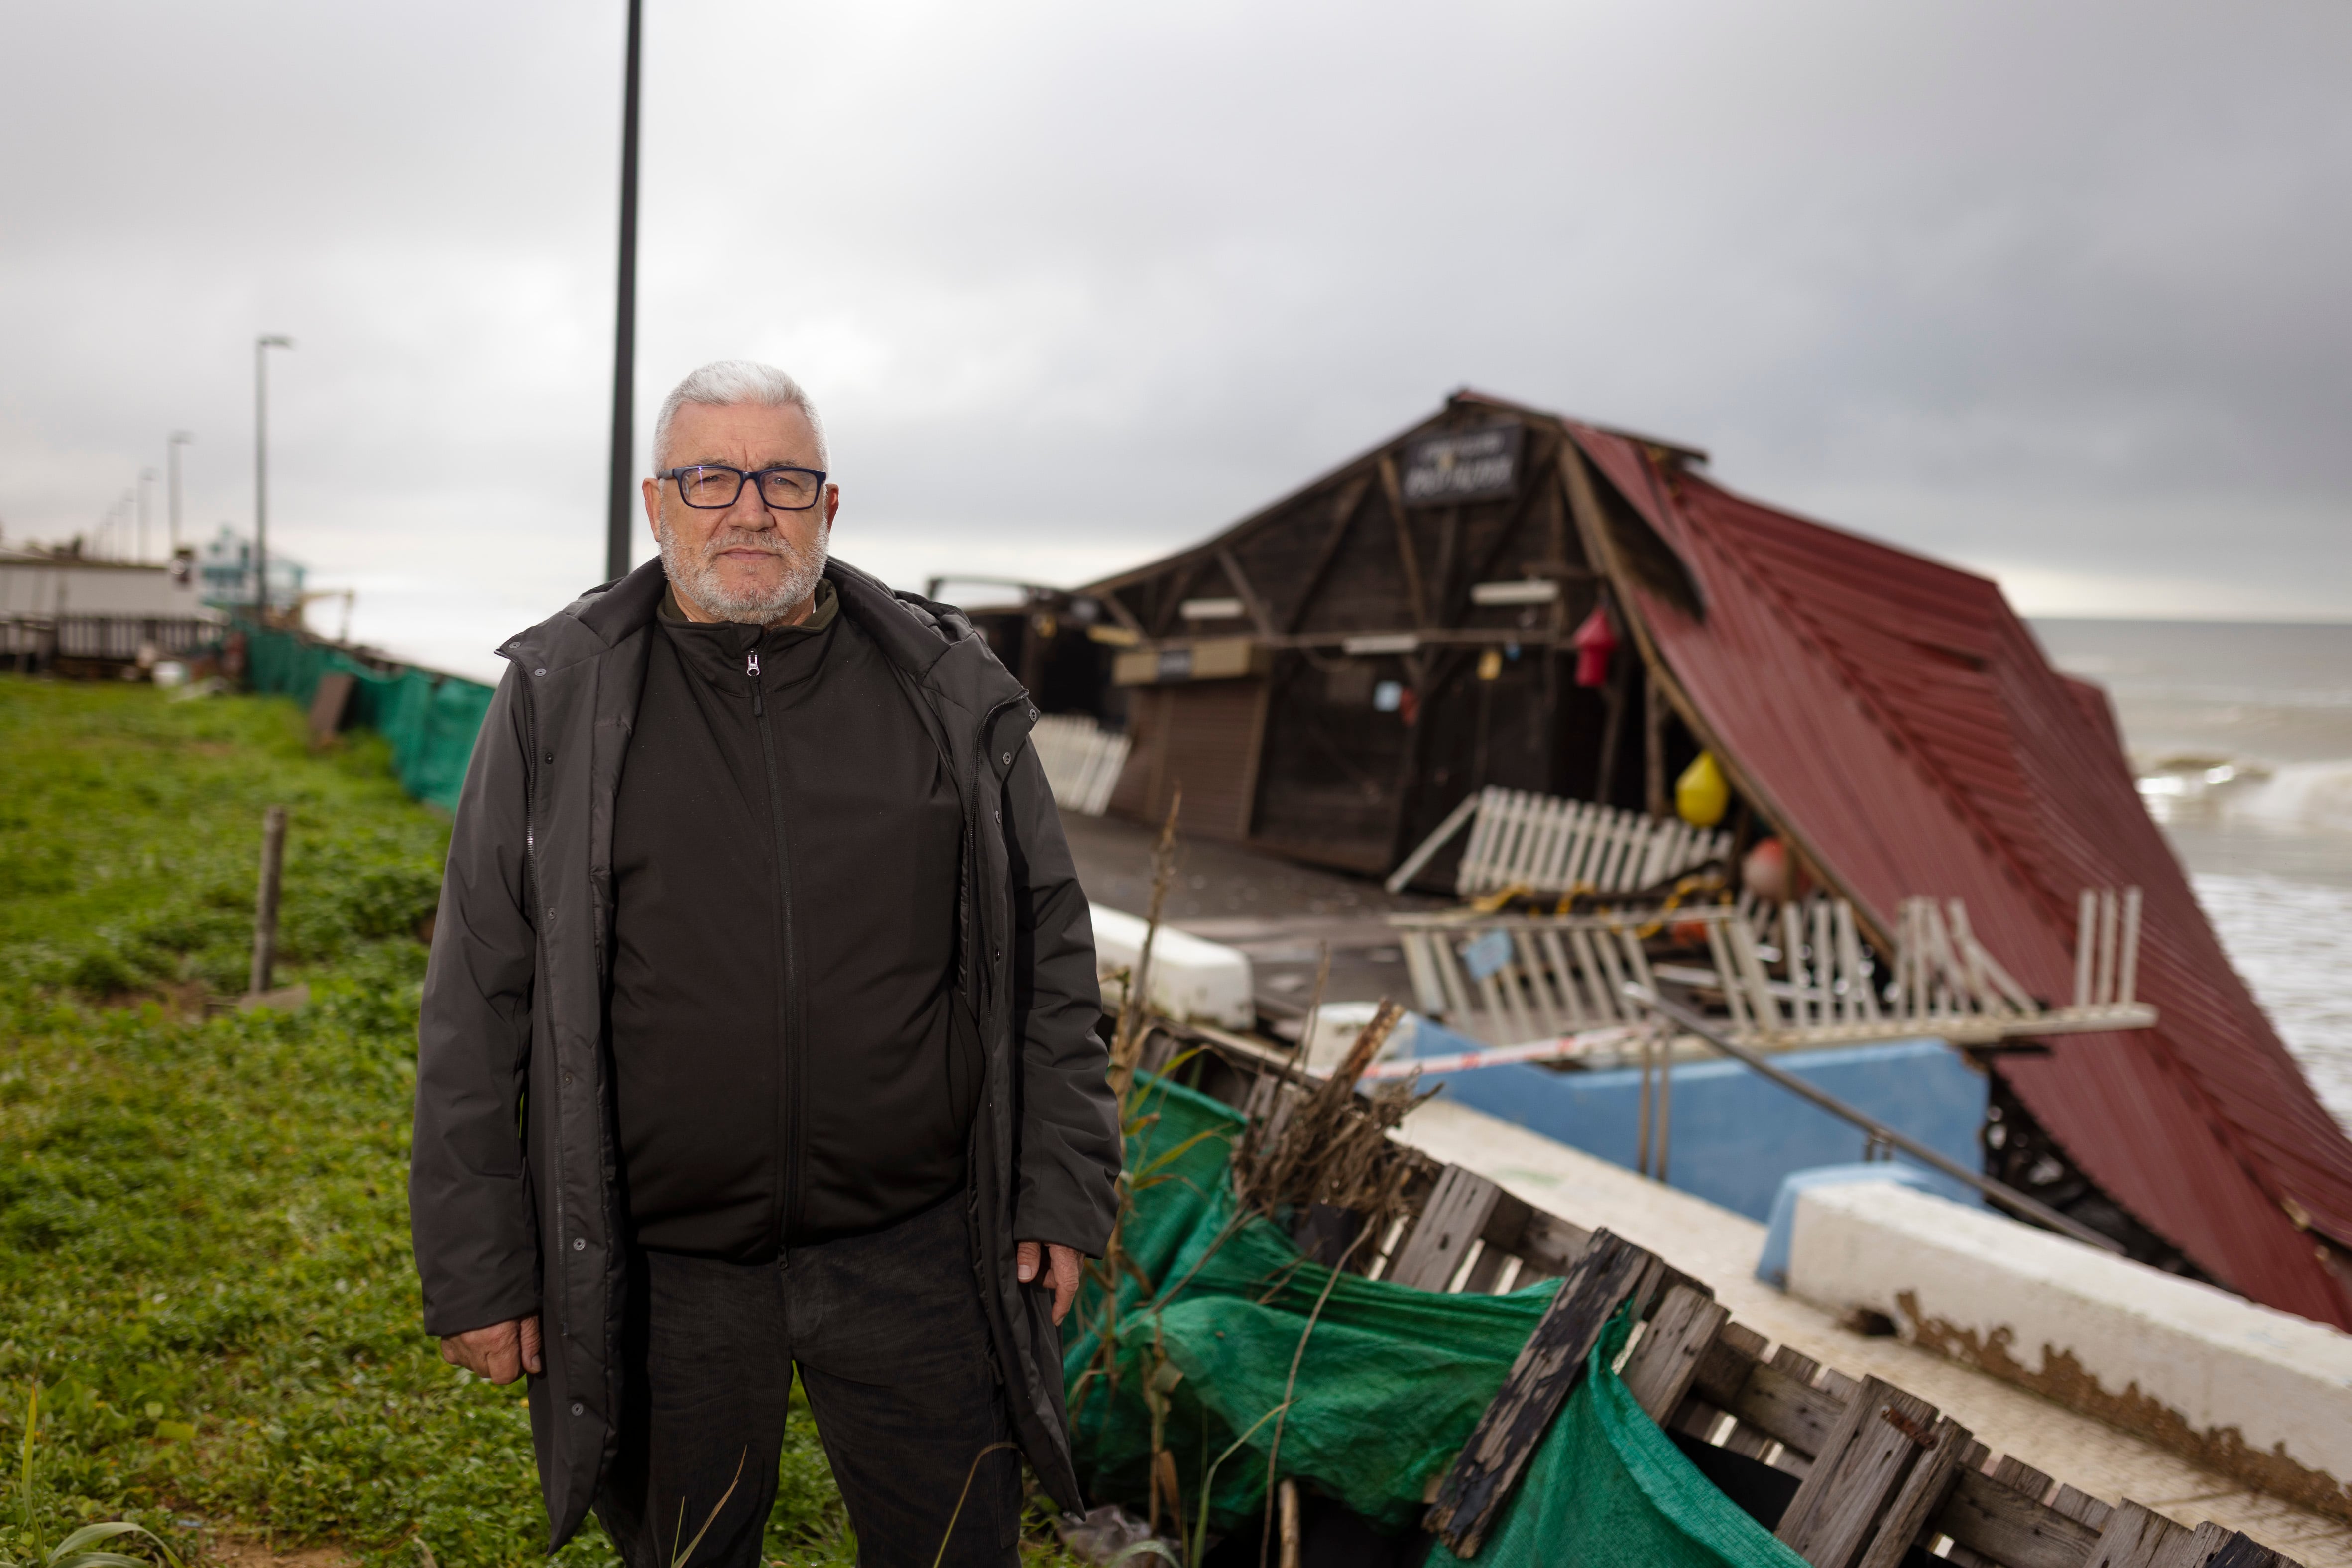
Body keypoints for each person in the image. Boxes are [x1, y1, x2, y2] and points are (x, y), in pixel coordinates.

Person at [408, 361, 1122, 1568]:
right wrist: (479, 1266)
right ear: (657, 503)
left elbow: (1051, 950)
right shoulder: (560, 699)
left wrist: (1061, 1184)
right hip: (666, 1267)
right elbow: (478, 994)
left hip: (921, 1250)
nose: (749, 508)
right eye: (711, 476)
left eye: (783, 479)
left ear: (828, 508)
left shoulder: (947, 696)